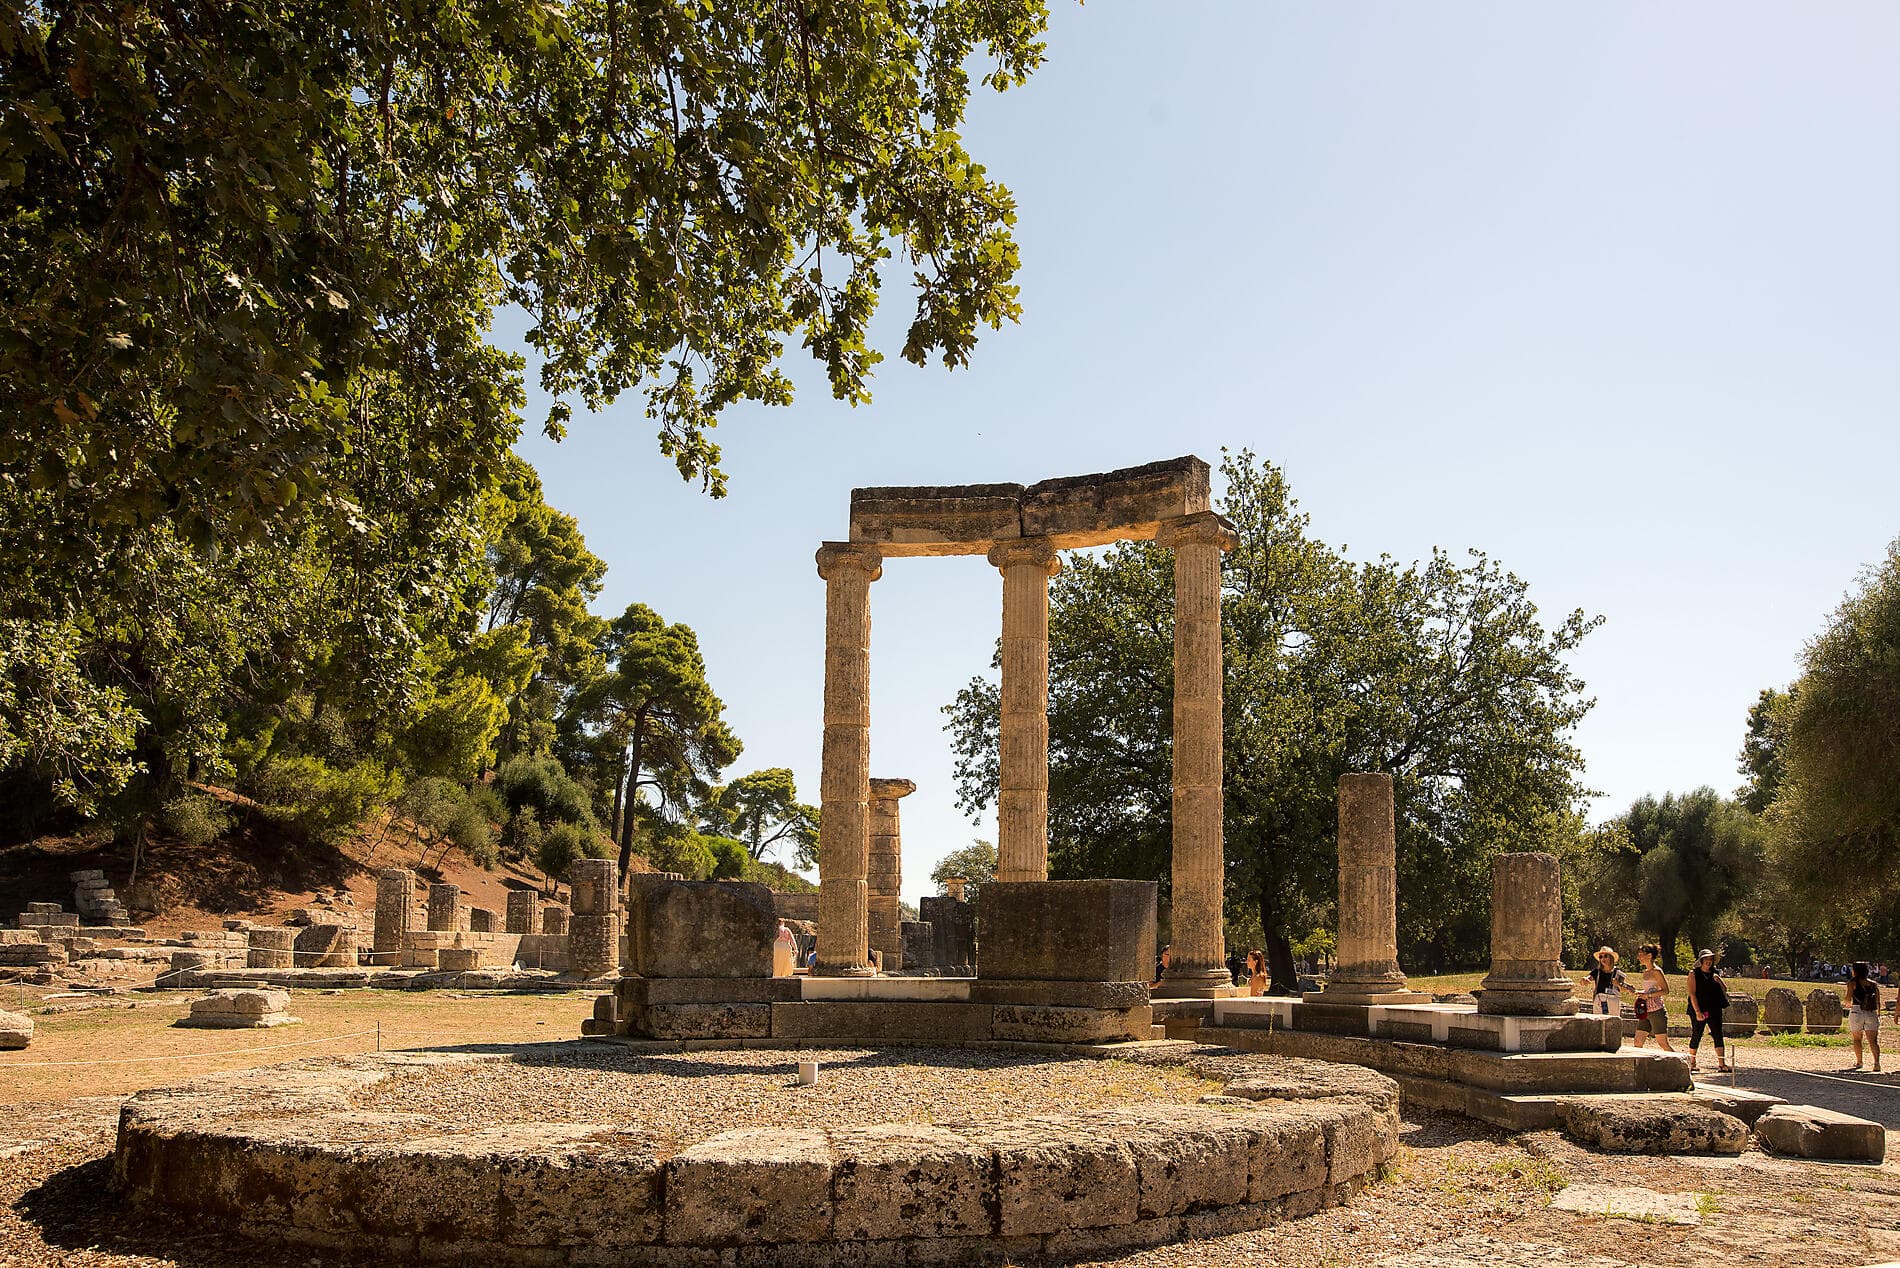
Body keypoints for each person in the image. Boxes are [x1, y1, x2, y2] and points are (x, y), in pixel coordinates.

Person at [1623, 943, 1675, 1052]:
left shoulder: (1657, 971)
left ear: (1650, 956)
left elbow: (1665, 990)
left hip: (1657, 1011)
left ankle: (1681, 1065)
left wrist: (1648, 995)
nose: (1639, 957)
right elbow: (1650, 990)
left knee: (1663, 1043)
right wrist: (1638, 992)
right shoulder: (1645, 973)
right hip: (1645, 1011)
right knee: (1638, 1041)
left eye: (1641, 954)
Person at [1687, 948, 1730, 1075]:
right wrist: (1697, 1011)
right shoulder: (1693, 974)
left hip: (1714, 1008)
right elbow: (1692, 994)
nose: (1708, 962)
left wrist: (1719, 980)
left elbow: (1725, 989)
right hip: (1698, 1008)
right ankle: (1692, 1062)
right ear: (1701, 961)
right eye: (1706, 959)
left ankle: (1722, 1063)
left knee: (1718, 1034)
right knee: (1697, 1033)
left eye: (1710, 959)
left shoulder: (1715, 974)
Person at [1845, 960, 1883, 1073]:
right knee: (1873, 1040)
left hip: (1857, 1011)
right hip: (1871, 1012)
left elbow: (1847, 999)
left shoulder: (1852, 983)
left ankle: (1859, 1061)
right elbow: (1878, 1002)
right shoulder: (1873, 984)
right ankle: (1876, 1063)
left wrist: (1847, 1004)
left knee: (1857, 1038)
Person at [1581, 947, 1625, 1016]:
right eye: (1600, 957)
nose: (1602, 959)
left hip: (1613, 1001)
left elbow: (1623, 989)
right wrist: (1584, 980)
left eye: (1605, 956)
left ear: (1611, 958)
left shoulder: (1618, 973)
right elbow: (1588, 978)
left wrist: (1618, 984)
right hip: (1599, 1000)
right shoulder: (1597, 971)